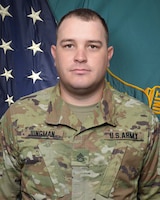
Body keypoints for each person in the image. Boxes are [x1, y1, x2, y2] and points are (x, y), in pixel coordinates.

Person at [0, 8, 160, 200]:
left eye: (92, 46)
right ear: (54, 54)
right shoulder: (18, 117)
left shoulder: (143, 122)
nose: (80, 57)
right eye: (69, 45)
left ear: (108, 56)